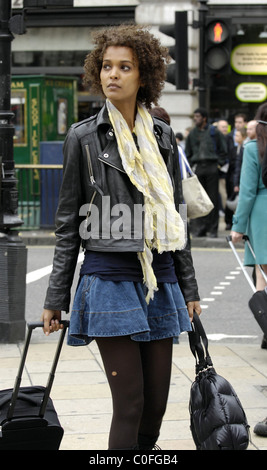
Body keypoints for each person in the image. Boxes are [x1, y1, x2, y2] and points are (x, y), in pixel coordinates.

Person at [41, 24, 201, 451]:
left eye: (124, 67)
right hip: (108, 278)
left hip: (161, 279)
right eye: (107, 67)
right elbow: (67, 225)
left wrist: (189, 287)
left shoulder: (164, 137)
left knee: (156, 406)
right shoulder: (82, 137)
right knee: (129, 404)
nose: (113, 75)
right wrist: (55, 297)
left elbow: (176, 218)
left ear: (142, 76)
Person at [185, 107, 227, 237]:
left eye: (198, 117)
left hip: (211, 167)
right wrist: (190, 167)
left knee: (212, 198)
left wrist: (218, 164)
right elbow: (188, 152)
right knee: (198, 199)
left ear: (204, 118)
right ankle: (200, 228)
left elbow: (224, 151)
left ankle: (213, 229)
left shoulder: (214, 132)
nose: (195, 119)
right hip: (198, 168)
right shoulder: (192, 134)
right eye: (194, 117)